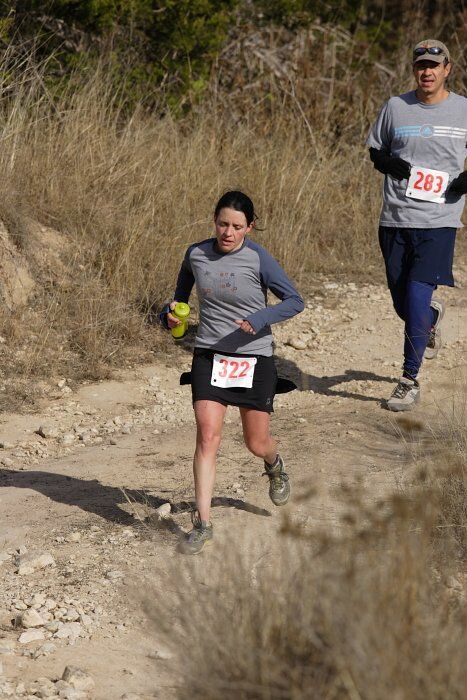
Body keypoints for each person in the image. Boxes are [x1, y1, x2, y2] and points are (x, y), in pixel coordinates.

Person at [160, 191, 304, 554]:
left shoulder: (258, 258)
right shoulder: (195, 254)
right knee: (208, 437)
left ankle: (274, 463)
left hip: (253, 359)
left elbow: (294, 301)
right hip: (210, 355)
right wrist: (171, 316)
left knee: (256, 443)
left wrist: (259, 319)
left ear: (249, 228)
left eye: (237, 226)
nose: (228, 232)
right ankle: (203, 523)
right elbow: (179, 300)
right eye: (223, 224)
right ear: (214, 221)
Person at [366, 39, 467, 411]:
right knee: (403, 302)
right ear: (414, 70)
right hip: (394, 218)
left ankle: (409, 379)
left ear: (447, 70)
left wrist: (464, 181)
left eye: (434, 66)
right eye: (421, 65)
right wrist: (388, 164)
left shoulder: (463, 110)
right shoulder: (396, 107)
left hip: (439, 221)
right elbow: (376, 149)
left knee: (417, 293)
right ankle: (429, 318)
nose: (427, 72)